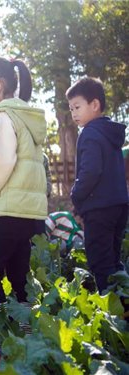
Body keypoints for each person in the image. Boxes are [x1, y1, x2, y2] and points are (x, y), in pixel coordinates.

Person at [0, 57, 47, 309]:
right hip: (26, 214)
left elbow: (2, 162)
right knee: (18, 276)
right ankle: (26, 332)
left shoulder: (2, 116)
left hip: (4, 211)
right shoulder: (25, 116)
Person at [66, 77, 128, 293]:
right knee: (113, 259)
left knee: (100, 262)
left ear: (94, 105)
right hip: (119, 205)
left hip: (100, 208)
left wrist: (76, 195)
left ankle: (112, 311)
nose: (73, 113)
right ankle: (123, 301)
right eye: (71, 108)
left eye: (77, 107)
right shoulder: (110, 133)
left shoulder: (90, 133)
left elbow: (91, 171)